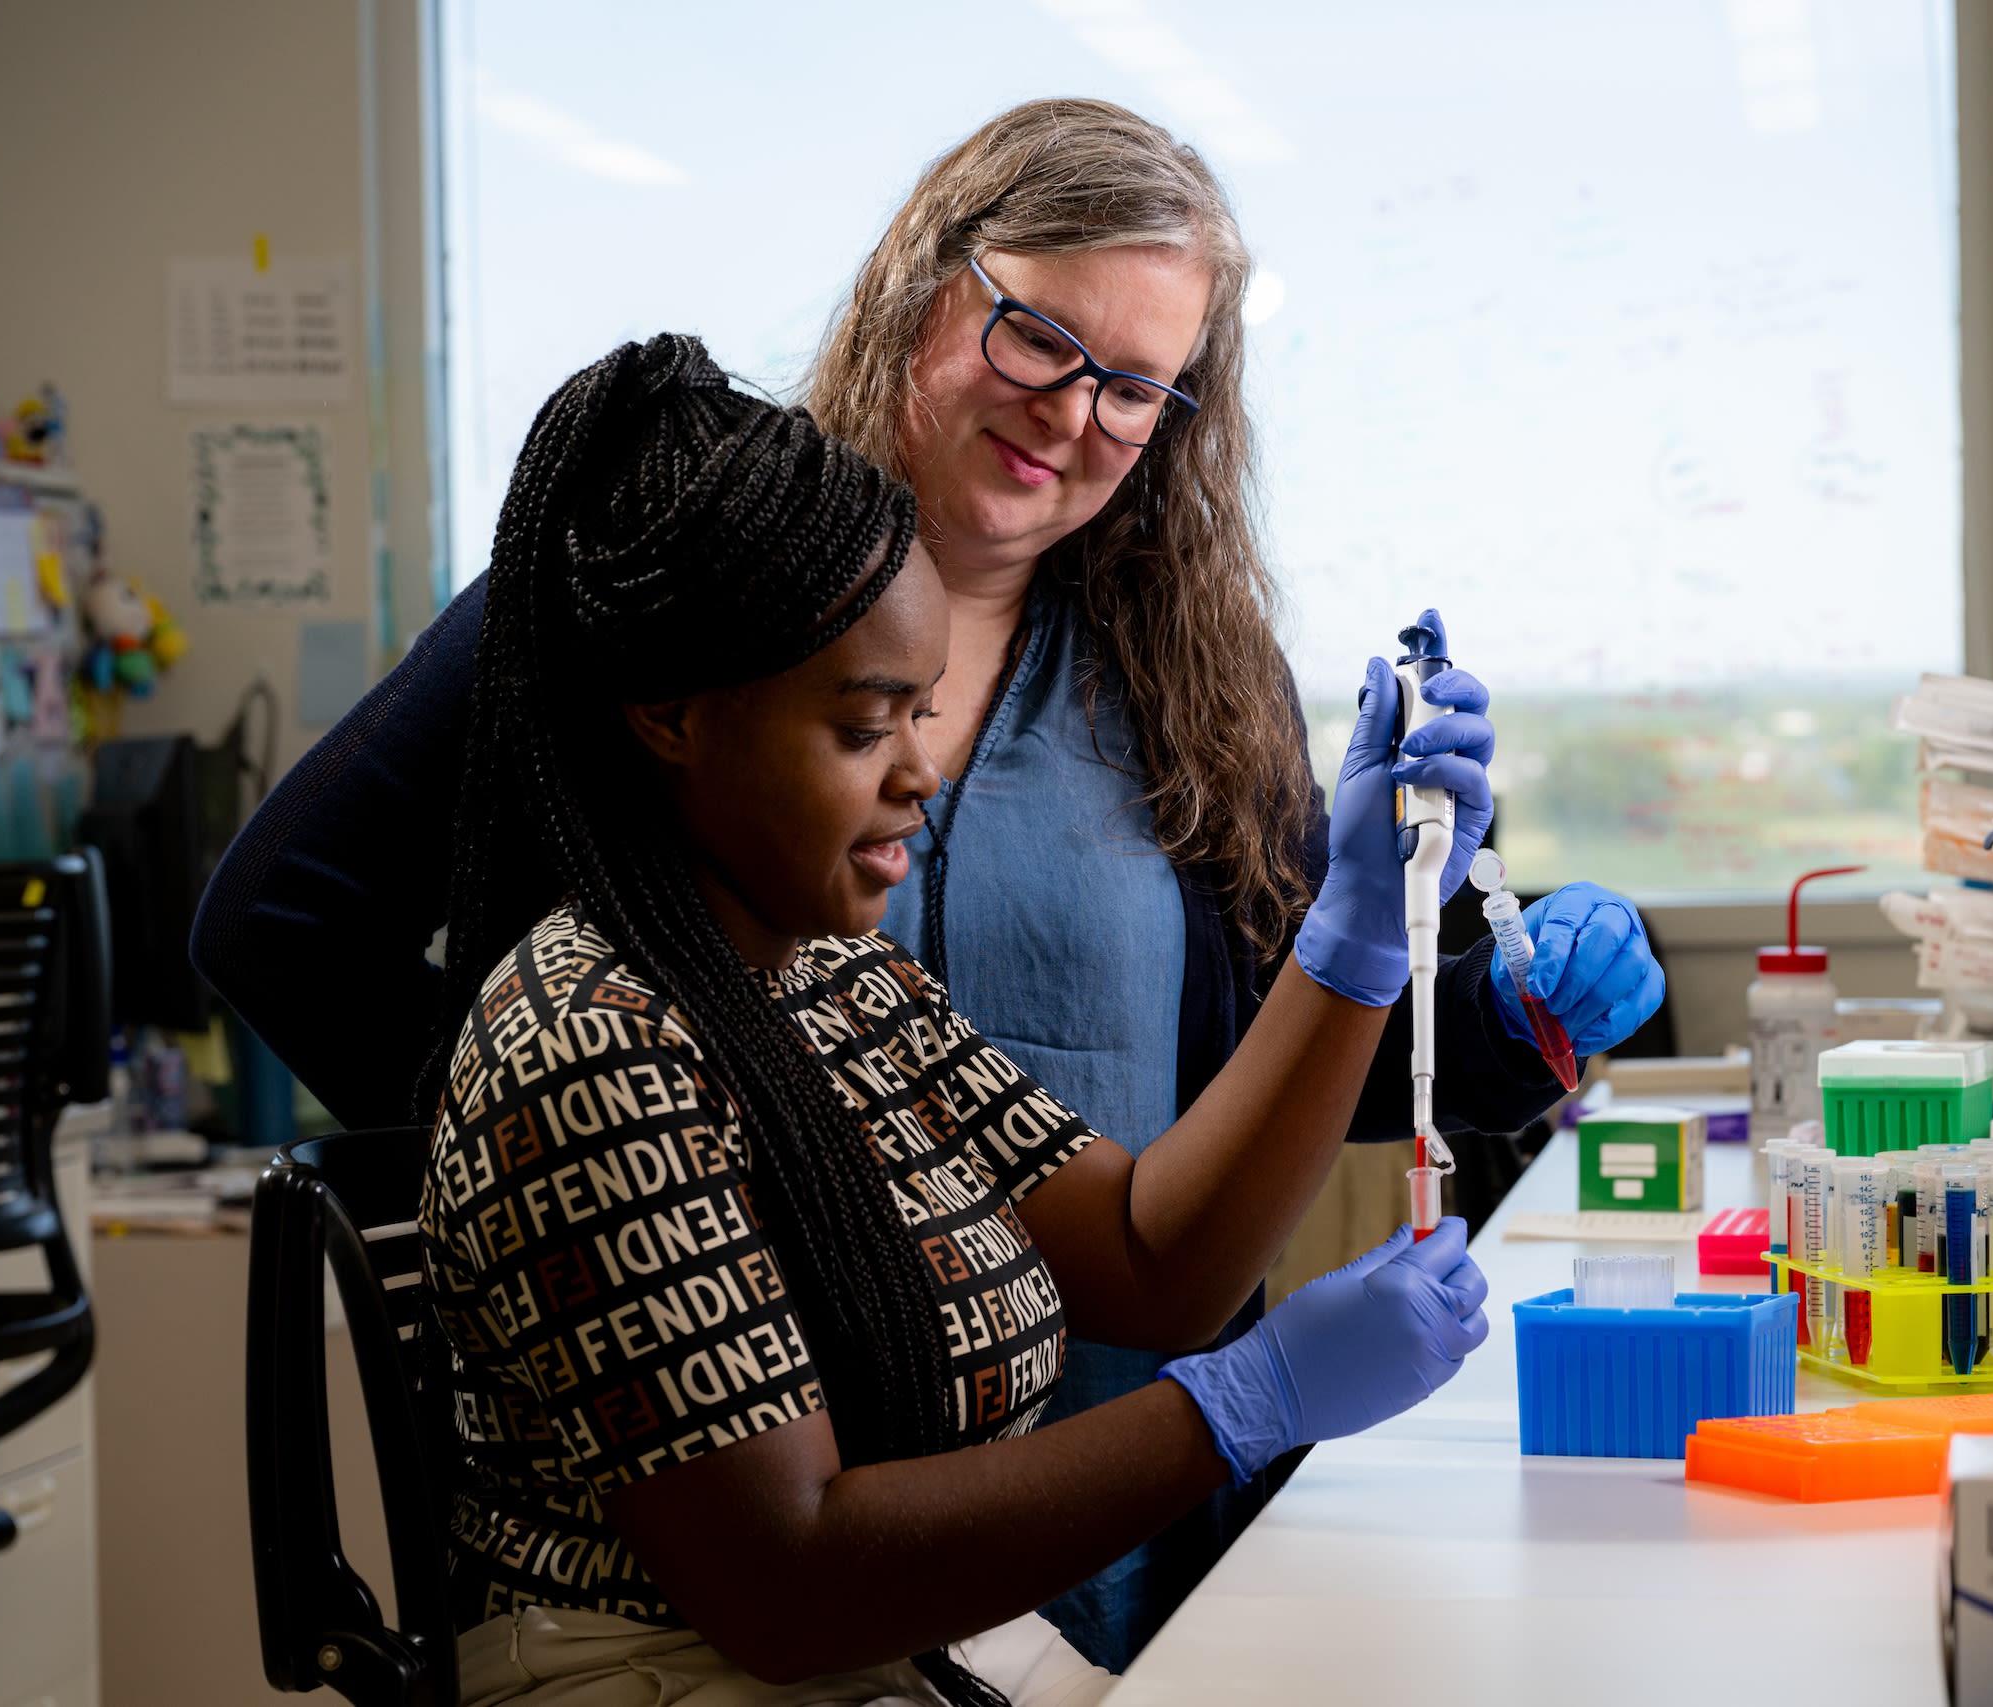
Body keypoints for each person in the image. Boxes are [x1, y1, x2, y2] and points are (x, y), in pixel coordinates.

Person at [192, 98, 1665, 1665]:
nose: (1078, 412)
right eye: (1040, 340)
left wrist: (1453, 985)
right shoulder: (670, 598)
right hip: (740, 1564)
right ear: (926, 281)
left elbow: (1239, 1144)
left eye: (1138, 386)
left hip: (1109, 1491)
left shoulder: (950, 886)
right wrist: (601, 1189)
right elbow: (286, 925)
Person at [422, 334, 1487, 1707]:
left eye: (922, 712)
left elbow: (1156, 1261)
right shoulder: (593, 1052)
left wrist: (1354, 937)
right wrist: (1242, 1405)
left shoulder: (825, 980)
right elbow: (788, 1587)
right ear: (674, 715)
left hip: (905, 1655)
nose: (921, 773)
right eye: (866, 728)